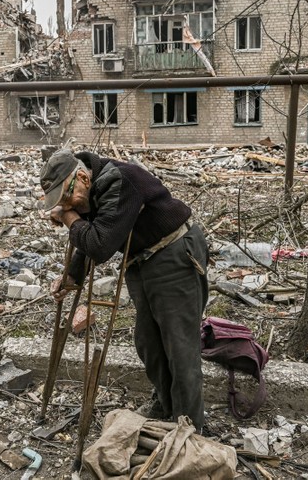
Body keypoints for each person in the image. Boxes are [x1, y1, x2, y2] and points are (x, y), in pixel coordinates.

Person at [40, 148, 209, 431]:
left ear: (82, 177)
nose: (66, 205)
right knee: (148, 342)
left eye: (66, 197)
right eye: (60, 202)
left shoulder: (118, 180)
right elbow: (94, 234)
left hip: (175, 252)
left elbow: (100, 244)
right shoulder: (93, 188)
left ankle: (188, 427)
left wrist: (70, 218)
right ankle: (166, 405)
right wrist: (72, 276)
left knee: (180, 347)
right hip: (142, 259)